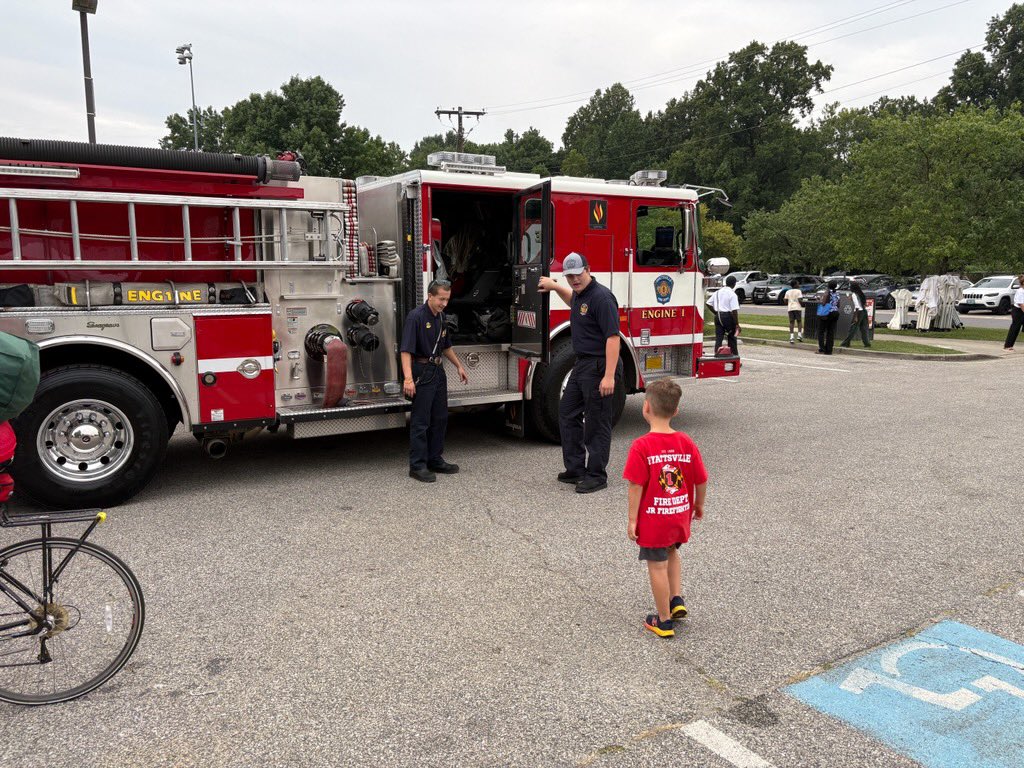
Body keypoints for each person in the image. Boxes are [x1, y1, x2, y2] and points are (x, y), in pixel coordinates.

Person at [622, 379, 708, 639]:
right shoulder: (686, 442)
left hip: (654, 519)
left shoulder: (642, 446)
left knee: (656, 565)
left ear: (646, 407)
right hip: (678, 513)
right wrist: (699, 504)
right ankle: (676, 598)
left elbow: (636, 485)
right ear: (676, 411)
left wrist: (632, 519)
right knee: (671, 552)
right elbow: (701, 478)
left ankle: (663, 620)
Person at [538, 252, 622, 494]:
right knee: (567, 413)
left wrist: (609, 376)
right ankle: (575, 469)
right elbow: (573, 302)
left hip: (599, 366)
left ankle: (596, 475)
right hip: (582, 364)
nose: (574, 279)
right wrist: (555, 286)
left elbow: (613, 338)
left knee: (596, 422)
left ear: (588, 269)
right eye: (569, 276)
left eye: (577, 274)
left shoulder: (602, 298)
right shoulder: (581, 294)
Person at [400, 279, 469, 482]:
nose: (444, 304)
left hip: (438, 371)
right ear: (430, 296)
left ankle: (435, 459)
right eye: (441, 299)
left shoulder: (441, 317)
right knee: (421, 421)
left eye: (447, 300)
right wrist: (408, 379)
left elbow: (446, 346)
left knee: (440, 418)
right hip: (422, 371)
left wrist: (459, 366)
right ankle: (417, 465)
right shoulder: (416, 317)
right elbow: (406, 350)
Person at [707, 275, 740, 355]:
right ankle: (734, 356)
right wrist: (737, 324)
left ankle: (717, 354)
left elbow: (708, 303)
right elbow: (734, 311)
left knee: (719, 337)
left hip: (718, 317)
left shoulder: (718, 292)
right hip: (728, 317)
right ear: (734, 284)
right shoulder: (732, 294)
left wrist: (716, 313)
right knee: (732, 337)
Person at [840, 282, 872, 348]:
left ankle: (846, 343)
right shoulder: (860, 293)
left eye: (850, 287)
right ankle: (867, 343)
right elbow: (863, 304)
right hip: (864, 312)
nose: (850, 288)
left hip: (858, 312)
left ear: (852, 288)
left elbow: (857, 306)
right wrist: (851, 299)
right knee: (864, 329)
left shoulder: (854, 294)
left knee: (853, 328)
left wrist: (856, 316)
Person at [816, 280, 840, 355]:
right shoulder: (837, 293)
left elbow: (823, 303)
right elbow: (838, 305)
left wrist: (819, 300)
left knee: (821, 331)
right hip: (835, 313)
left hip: (826, 313)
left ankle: (821, 349)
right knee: (830, 332)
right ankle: (829, 350)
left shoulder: (827, 292)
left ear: (828, 285)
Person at [1003, 274, 1024, 351]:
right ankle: (1007, 346)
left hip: (1021, 311)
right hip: (1018, 312)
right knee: (1015, 329)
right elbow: (1021, 304)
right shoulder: (1020, 291)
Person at [784, 279, 804, 344]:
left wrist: (789, 302)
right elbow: (800, 299)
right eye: (798, 283)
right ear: (795, 285)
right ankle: (799, 335)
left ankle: (791, 337)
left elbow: (785, 300)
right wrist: (803, 303)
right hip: (797, 307)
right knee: (799, 321)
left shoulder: (788, 291)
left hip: (790, 308)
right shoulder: (798, 291)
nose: (799, 285)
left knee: (791, 322)